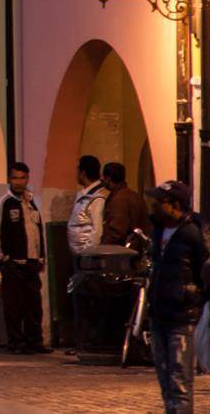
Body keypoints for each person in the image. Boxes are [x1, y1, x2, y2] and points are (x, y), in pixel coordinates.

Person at [145, 180, 207, 413]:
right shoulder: (158, 228)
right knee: (164, 376)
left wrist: (193, 299)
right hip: (159, 312)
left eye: (159, 202)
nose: (154, 206)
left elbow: (205, 270)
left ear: (174, 205)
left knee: (180, 379)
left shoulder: (194, 231)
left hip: (182, 316)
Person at [0, 162, 48, 355]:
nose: (19, 182)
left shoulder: (31, 202)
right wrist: (4, 259)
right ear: (9, 179)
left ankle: (34, 341)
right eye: (15, 178)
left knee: (34, 305)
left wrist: (41, 257)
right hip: (14, 263)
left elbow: (37, 231)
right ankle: (16, 342)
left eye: (22, 178)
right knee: (14, 305)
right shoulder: (5, 203)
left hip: (32, 262)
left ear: (28, 179)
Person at [101, 162, 150, 245]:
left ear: (108, 179)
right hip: (136, 249)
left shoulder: (119, 199)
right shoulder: (135, 195)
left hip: (123, 252)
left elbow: (116, 232)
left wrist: (104, 248)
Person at [67, 154, 107, 255]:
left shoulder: (97, 197)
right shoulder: (85, 194)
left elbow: (97, 230)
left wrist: (88, 252)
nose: (76, 174)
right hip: (79, 255)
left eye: (77, 170)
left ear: (83, 173)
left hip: (87, 255)